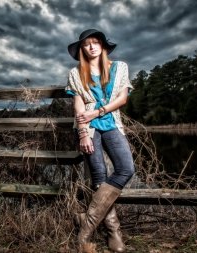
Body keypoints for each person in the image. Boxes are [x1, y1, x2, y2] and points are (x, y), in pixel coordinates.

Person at [65, 29, 135, 253]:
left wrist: (98, 111)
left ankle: (86, 222)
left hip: (111, 122)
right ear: (82, 49)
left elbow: (122, 98)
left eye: (96, 42)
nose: (92, 47)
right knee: (99, 175)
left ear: (103, 46)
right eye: (87, 44)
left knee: (126, 168)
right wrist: (84, 133)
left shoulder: (120, 67)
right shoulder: (75, 73)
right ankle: (113, 231)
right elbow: (78, 105)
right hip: (88, 127)